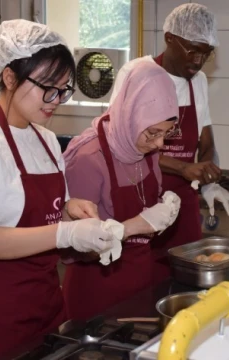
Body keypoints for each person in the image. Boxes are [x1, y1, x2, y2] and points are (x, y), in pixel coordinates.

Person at [0, 20, 122, 359]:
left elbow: (47, 210)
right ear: (9, 77)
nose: (56, 100)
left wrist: (71, 209)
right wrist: (65, 233)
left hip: (46, 302)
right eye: (47, 88)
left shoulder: (47, 140)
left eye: (64, 90)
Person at [109, 3, 229, 282]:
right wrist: (183, 168)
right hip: (141, 201)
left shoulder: (198, 81)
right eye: (192, 50)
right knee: (140, 286)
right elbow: (117, 145)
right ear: (170, 38)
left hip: (182, 203)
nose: (198, 61)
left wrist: (209, 177)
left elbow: (206, 139)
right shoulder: (137, 72)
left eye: (206, 54)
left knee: (185, 280)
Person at [62, 61, 182, 320]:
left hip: (140, 282)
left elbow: (149, 198)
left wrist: (163, 208)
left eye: (167, 132)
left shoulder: (145, 150)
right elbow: (77, 248)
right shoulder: (89, 158)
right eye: (153, 132)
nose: (160, 143)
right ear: (132, 115)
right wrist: (133, 227)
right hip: (97, 291)